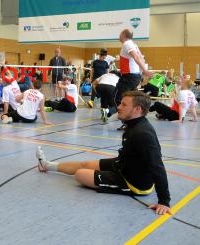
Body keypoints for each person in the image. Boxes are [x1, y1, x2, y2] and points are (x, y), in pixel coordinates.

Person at [37, 91, 171, 215]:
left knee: (80, 174)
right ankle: (47, 165)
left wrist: (164, 201)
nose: (118, 107)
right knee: (85, 163)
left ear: (138, 109)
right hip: (124, 165)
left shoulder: (143, 134)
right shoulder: (134, 123)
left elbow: (157, 166)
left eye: (124, 104)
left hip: (134, 183)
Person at [101, 29, 152, 127]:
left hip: (129, 77)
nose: (119, 35)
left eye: (120, 33)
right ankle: (128, 120)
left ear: (123, 35)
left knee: (117, 99)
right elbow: (141, 58)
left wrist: (144, 71)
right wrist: (141, 74)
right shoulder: (133, 44)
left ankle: (112, 113)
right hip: (132, 76)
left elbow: (137, 58)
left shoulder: (127, 44)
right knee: (131, 100)